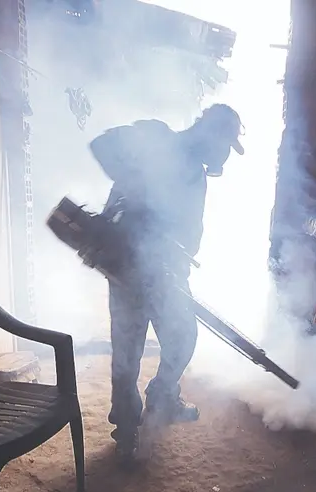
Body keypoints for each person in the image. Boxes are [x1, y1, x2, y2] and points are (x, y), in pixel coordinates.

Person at [86, 104, 244, 460]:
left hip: (168, 271)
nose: (224, 155)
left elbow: (189, 229)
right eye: (225, 145)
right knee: (128, 351)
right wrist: (137, 183)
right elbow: (101, 145)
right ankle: (126, 429)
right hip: (126, 265)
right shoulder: (157, 138)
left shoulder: (195, 173)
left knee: (183, 337)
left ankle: (162, 398)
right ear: (208, 131)